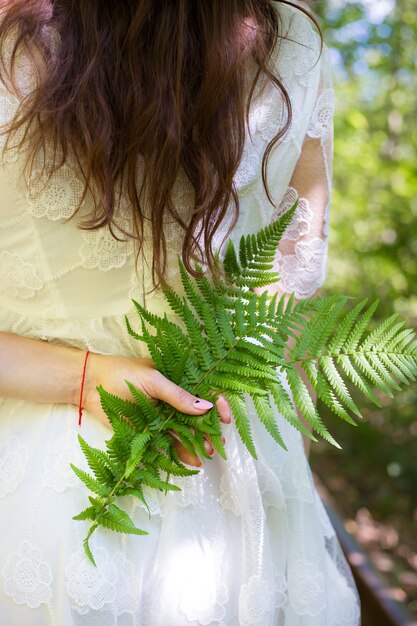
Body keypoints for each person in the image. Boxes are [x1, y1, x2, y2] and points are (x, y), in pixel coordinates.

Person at [0, 1, 360, 624]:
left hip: (38, 484)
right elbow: (285, 318)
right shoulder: (292, 43)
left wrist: (91, 379)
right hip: (233, 472)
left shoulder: (13, 39)